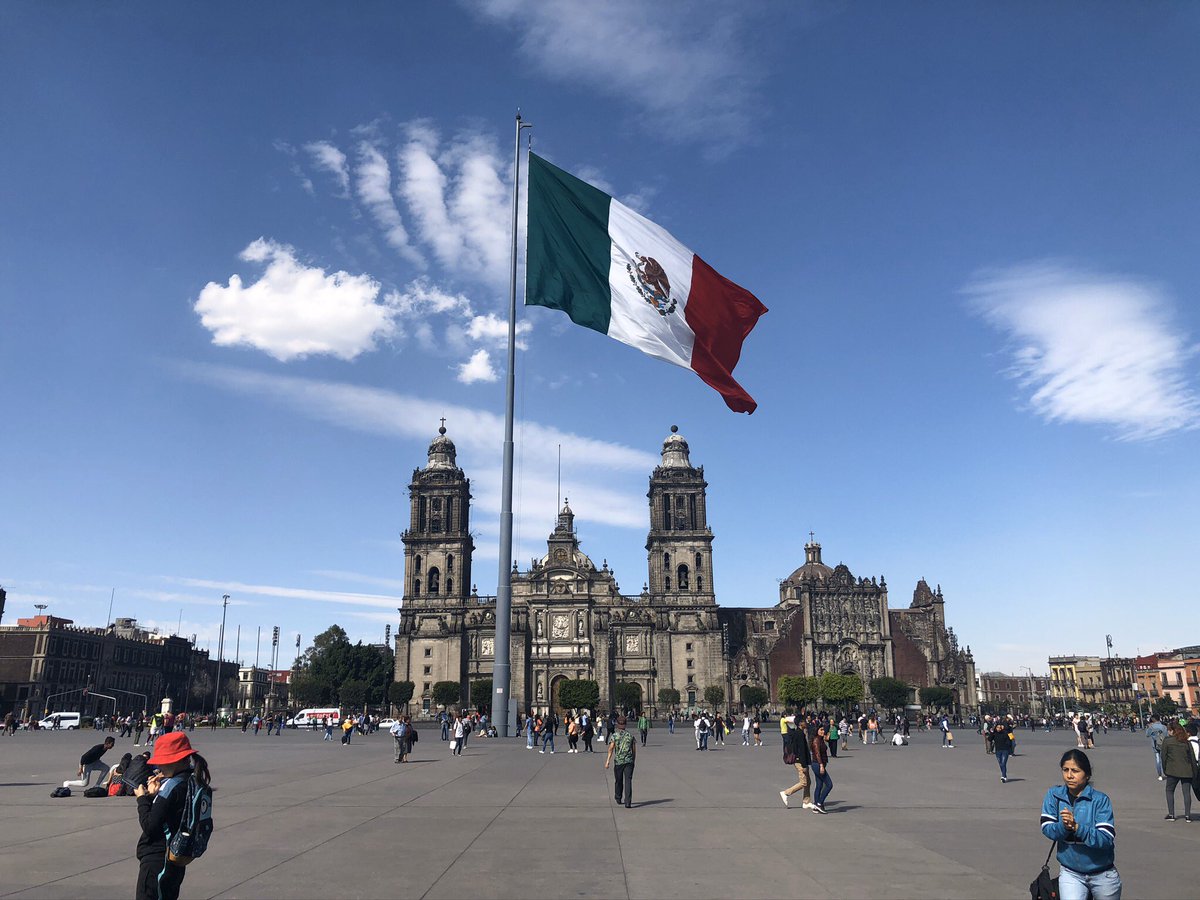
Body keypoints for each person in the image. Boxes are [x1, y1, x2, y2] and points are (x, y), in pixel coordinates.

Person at [134, 731, 212, 900]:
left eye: (162, 762)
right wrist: (154, 796)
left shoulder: (171, 787)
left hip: (158, 858)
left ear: (176, 761)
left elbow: (150, 826)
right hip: (176, 856)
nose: (159, 767)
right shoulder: (193, 781)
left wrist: (142, 799)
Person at [1040, 750, 1121, 900]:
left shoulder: (1100, 800)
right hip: (1071, 873)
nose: (1069, 775)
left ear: (1087, 774)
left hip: (1102, 873)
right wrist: (1064, 826)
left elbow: (1105, 838)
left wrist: (1077, 827)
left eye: (1075, 771)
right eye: (1065, 770)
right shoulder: (1054, 795)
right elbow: (1047, 828)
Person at [1160, 721, 1194, 821]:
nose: (1168, 732)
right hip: (1187, 771)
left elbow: (1163, 757)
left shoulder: (1167, 741)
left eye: (1169, 730)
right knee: (1186, 792)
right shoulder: (1186, 741)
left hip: (1172, 770)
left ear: (1172, 731)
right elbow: (1192, 757)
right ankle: (1188, 816)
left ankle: (1171, 814)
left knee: (1169, 791)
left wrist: (1165, 769)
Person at [779, 714, 813, 809]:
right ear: (801, 723)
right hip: (800, 761)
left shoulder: (799, 732)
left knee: (808, 781)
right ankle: (786, 793)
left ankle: (806, 801)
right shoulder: (799, 734)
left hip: (802, 760)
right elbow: (800, 751)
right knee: (803, 782)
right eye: (804, 721)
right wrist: (804, 765)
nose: (806, 722)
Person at [604, 715, 636, 809]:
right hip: (629, 761)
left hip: (619, 761)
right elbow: (634, 750)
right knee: (628, 781)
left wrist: (608, 761)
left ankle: (618, 797)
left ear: (617, 725)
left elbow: (611, 748)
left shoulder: (615, 736)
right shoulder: (630, 736)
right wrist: (633, 760)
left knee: (618, 780)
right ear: (625, 724)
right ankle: (628, 802)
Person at [808, 724, 832, 813]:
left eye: (823, 730)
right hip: (817, 764)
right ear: (816, 731)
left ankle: (816, 805)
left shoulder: (821, 739)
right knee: (829, 784)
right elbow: (817, 753)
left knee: (819, 785)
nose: (823, 731)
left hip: (818, 764)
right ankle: (819, 803)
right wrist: (821, 765)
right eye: (821, 730)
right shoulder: (816, 740)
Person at [1145, 716, 1168, 781]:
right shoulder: (1164, 727)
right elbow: (1167, 735)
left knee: (1158, 760)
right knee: (1164, 759)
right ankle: (1167, 772)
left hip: (1155, 745)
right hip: (1163, 744)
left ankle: (1160, 775)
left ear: (1153, 719)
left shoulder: (1151, 727)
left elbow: (1147, 735)